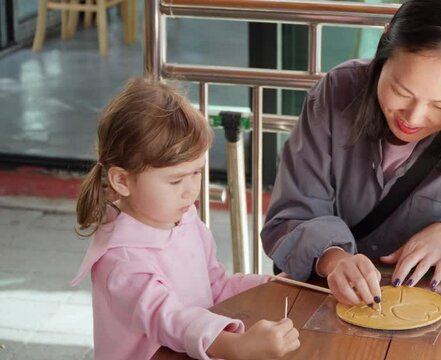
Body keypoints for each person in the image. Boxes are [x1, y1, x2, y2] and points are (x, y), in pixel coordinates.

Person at [261, 0, 441, 307]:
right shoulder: (337, 94)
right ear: (384, 46)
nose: (412, 117)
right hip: (331, 307)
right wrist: (332, 257)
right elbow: (289, 215)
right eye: (400, 91)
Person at [71, 78, 300, 360]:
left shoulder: (186, 220)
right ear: (122, 180)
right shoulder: (121, 259)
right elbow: (170, 319)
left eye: (197, 172)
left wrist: (272, 287)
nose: (191, 190)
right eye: (176, 180)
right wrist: (235, 346)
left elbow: (215, 288)